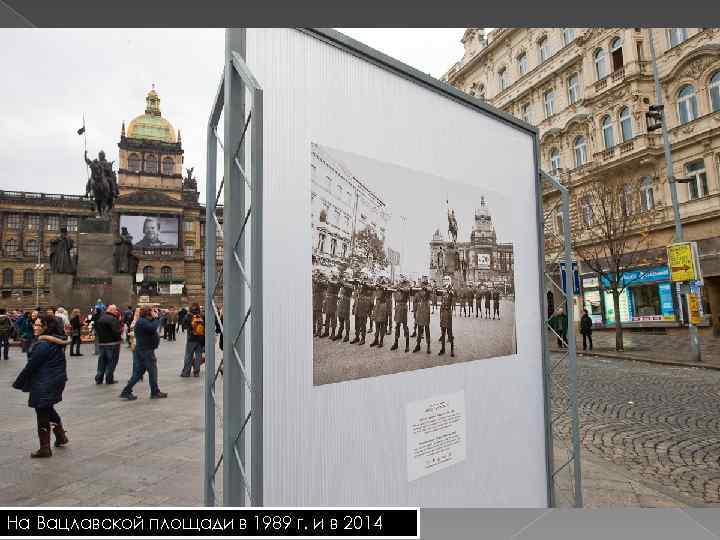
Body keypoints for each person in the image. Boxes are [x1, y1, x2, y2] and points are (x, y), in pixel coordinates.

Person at [12, 314, 71, 458]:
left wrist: (18, 382)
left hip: (45, 382)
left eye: (39, 325)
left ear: (47, 327)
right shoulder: (55, 341)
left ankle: (45, 448)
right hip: (54, 380)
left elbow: (31, 366)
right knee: (48, 407)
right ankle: (61, 436)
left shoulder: (43, 344)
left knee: (42, 412)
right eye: (35, 324)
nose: (35, 327)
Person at [120, 306, 167, 400]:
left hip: (144, 350)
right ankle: (154, 392)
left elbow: (156, 325)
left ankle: (126, 391)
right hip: (146, 351)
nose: (154, 313)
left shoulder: (144, 321)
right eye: (152, 311)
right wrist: (157, 317)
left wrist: (158, 317)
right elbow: (153, 327)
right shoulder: (142, 321)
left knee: (139, 373)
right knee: (152, 371)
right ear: (147, 313)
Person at [94, 304, 122, 384]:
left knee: (102, 362)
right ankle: (109, 378)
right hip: (112, 343)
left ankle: (99, 378)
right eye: (115, 310)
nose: (116, 311)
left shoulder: (100, 318)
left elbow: (97, 329)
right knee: (111, 362)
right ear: (111, 310)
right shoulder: (113, 319)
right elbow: (116, 332)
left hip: (102, 343)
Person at [181, 303, 205, 378]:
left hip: (191, 338)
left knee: (189, 355)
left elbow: (184, 326)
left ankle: (186, 372)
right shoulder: (202, 315)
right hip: (200, 339)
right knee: (198, 356)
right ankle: (196, 372)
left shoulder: (188, 316)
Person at [390, 276, 411, 353]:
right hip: (398, 306)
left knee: (405, 326)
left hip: (403, 306)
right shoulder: (399, 284)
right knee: (397, 325)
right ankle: (396, 343)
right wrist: (394, 286)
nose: (401, 278)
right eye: (400, 276)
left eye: (403, 277)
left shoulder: (407, 284)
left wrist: (400, 288)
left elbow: (407, 289)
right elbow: (392, 287)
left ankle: (407, 345)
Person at [413, 279, 432, 354]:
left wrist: (426, 288)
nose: (423, 285)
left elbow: (430, 289)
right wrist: (415, 312)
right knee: (419, 329)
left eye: (424, 284)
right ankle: (418, 345)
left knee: (427, 329)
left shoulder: (428, 291)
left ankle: (428, 346)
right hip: (419, 312)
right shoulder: (418, 292)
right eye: (422, 284)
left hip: (426, 312)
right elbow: (415, 301)